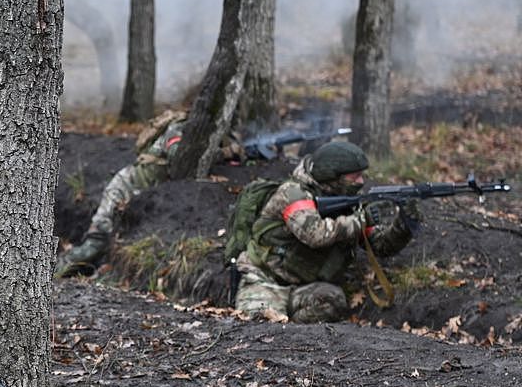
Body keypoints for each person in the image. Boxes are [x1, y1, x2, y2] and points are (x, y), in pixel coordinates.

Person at [233, 141, 413, 322]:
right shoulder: (293, 193)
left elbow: (379, 246)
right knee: (260, 328)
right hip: (264, 281)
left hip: (304, 290)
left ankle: (293, 331)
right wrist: (360, 220)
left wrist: (403, 224)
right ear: (332, 176)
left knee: (332, 301)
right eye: (354, 177)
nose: (361, 181)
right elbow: (315, 234)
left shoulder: (347, 203)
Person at [54, 110, 242, 278]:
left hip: (144, 194)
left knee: (117, 241)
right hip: (126, 185)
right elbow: (177, 153)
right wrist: (222, 153)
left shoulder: (213, 136)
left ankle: (101, 270)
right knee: (97, 239)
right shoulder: (181, 129)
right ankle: (53, 272)